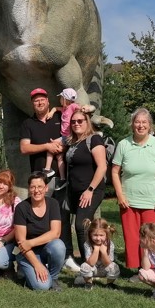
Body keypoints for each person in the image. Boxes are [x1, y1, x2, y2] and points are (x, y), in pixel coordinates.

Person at [111, 107, 155, 272]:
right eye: (137, 122)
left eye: (144, 122)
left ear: (149, 125)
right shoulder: (123, 144)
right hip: (129, 201)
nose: (141, 125)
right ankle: (139, 270)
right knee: (133, 238)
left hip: (154, 201)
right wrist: (120, 195)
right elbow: (115, 172)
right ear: (132, 124)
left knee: (154, 238)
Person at [64, 110, 108, 272]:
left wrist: (90, 189)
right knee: (84, 227)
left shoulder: (94, 139)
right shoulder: (73, 142)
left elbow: (102, 166)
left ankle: (88, 265)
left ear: (87, 122)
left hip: (90, 191)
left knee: (81, 225)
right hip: (75, 191)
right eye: (73, 121)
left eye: (80, 121)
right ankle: (94, 261)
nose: (76, 124)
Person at [14, 171, 66, 291]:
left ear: (46, 188)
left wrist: (31, 242)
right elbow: (21, 242)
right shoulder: (21, 208)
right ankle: (25, 271)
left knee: (59, 246)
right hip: (26, 253)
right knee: (42, 287)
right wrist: (37, 265)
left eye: (40, 187)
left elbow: (56, 233)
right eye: (33, 187)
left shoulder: (53, 204)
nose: (36, 190)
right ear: (29, 188)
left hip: (43, 249)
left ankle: (53, 278)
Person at [43, 88, 95, 182]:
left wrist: (87, 108)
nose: (59, 100)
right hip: (64, 136)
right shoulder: (64, 109)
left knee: (50, 146)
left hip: (67, 136)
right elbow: (55, 108)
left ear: (65, 99)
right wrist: (51, 112)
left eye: (61, 98)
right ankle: (63, 178)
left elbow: (80, 108)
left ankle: (47, 169)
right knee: (59, 157)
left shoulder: (72, 106)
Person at [19, 87, 64, 176]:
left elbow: (73, 137)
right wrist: (47, 146)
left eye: (42, 99)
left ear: (48, 101)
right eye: (36, 101)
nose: (40, 103)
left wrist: (63, 148)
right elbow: (24, 148)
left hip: (63, 176)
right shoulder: (28, 123)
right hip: (38, 177)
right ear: (32, 104)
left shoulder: (61, 117)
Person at [74, 217, 120, 290]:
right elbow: (90, 263)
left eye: (101, 235)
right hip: (93, 269)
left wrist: (104, 252)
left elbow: (108, 263)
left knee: (114, 267)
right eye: (95, 235)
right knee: (84, 266)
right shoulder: (87, 244)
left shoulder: (110, 244)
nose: (98, 238)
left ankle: (109, 284)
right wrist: (96, 249)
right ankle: (89, 283)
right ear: (90, 234)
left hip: (104, 269)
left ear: (106, 234)